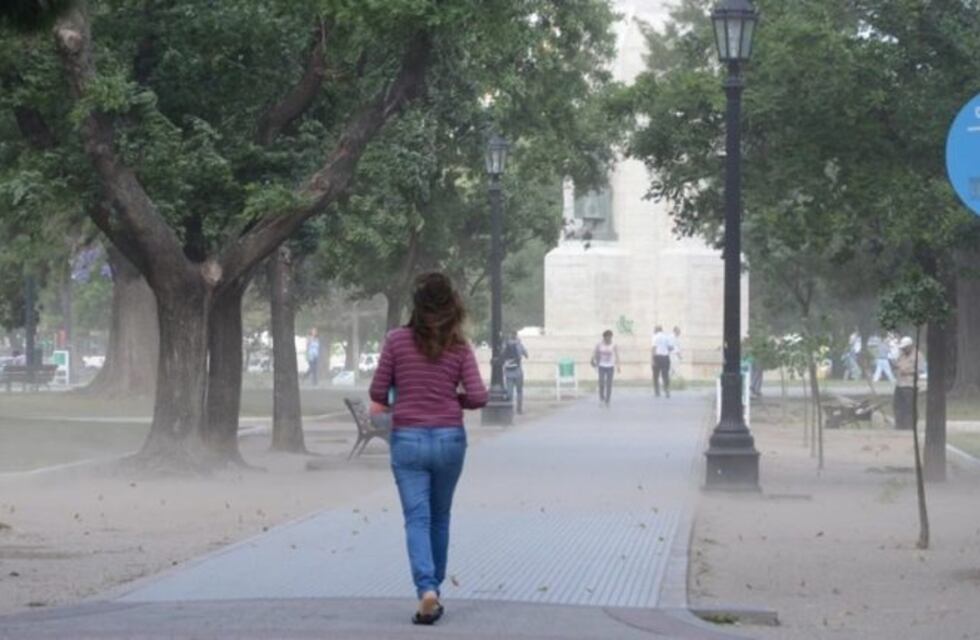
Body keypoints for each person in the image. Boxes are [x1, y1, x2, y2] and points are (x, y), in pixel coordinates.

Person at [370, 273, 488, 626]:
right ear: (452, 306)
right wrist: (454, 399)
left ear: (417, 307)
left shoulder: (396, 341)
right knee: (441, 516)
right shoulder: (459, 347)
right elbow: (480, 396)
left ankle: (426, 590)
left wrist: (404, 390)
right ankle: (433, 587)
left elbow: (378, 392)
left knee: (417, 518)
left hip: (408, 439)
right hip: (450, 439)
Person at [892, 336, 917, 430]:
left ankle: (910, 426)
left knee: (909, 407)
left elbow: (920, 370)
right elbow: (898, 366)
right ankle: (899, 425)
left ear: (910, 346)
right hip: (899, 384)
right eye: (902, 348)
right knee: (897, 405)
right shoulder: (901, 356)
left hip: (909, 385)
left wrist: (907, 372)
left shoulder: (917, 356)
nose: (903, 349)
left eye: (905, 348)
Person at [591, 330, 620, 407]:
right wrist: (593, 359)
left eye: (610, 337)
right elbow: (595, 353)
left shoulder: (614, 345)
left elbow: (617, 355)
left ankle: (608, 398)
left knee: (609, 383)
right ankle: (601, 396)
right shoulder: (599, 344)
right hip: (601, 366)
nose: (609, 339)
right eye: (607, 337)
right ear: (604, 337)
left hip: (610, 366)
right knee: (601, 382)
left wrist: (618, 366)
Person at [501, 331, 528, 415]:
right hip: (518, 371)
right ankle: (519, 409)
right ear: (516, 336)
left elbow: (502, 355)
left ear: (510, 336)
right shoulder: (519, 344)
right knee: (519, 391)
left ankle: (510, 409)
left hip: (508, 372)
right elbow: (526, 355)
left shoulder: (505, 345)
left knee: (510, 392)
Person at [651, 325, 673, 398]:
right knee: (665, 375)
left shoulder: (655, 337)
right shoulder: (666, 337)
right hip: (665, 358)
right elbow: (670, 348)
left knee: (656, 375)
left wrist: (653, 359)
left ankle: (657, 391)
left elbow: (654, 348)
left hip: (657, 357)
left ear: (656, 330)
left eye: (654, 330)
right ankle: (667, 390)